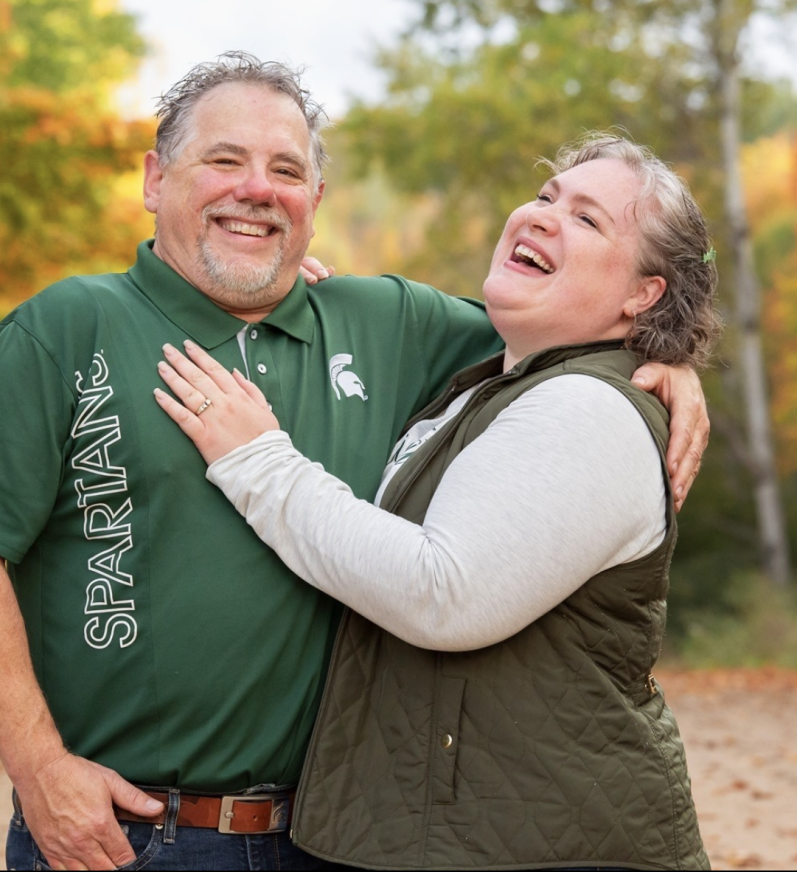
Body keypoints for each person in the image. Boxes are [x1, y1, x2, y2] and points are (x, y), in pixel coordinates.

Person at [0, 49, 709, 872]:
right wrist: (38, 768)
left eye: (285, 170)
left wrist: (667, 360)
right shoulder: (64, 328)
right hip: (128, 833)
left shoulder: (388, 322)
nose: (256, 189)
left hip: (335, 840)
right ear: (155, 180)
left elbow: (561, 335)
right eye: (224, 160)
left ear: (315, 202)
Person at [153, 132, 718, 869]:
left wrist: (257, 461)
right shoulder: (495, 384)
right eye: (547, 197)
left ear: (644, 294)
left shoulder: (590, 410)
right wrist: (310, 304)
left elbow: (442, 593)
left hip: (553, 846)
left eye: (587, 220)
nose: (545, 216)